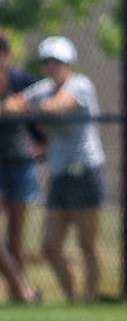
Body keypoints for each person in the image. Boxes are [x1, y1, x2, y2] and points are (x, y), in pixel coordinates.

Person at [4, 36, 105, 303]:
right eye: (47, 62)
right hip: (59, 173)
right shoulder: (41, 89)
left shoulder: (80, 85)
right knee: (50, 246)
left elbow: (57, 106)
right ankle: (74, 299)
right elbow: (13, 105)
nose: (52, 67)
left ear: (68, 63)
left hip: (85, 171)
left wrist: (27, 107)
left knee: (87, 243)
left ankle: (90, 299)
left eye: (57, 61)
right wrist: (18, 105)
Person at [0, 32, 41, 304]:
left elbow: (40, 119)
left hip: (21, 165)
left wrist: (42, 146)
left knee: (16, 236)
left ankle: (17, 297)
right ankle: (23, 289)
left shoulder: (22, 81)